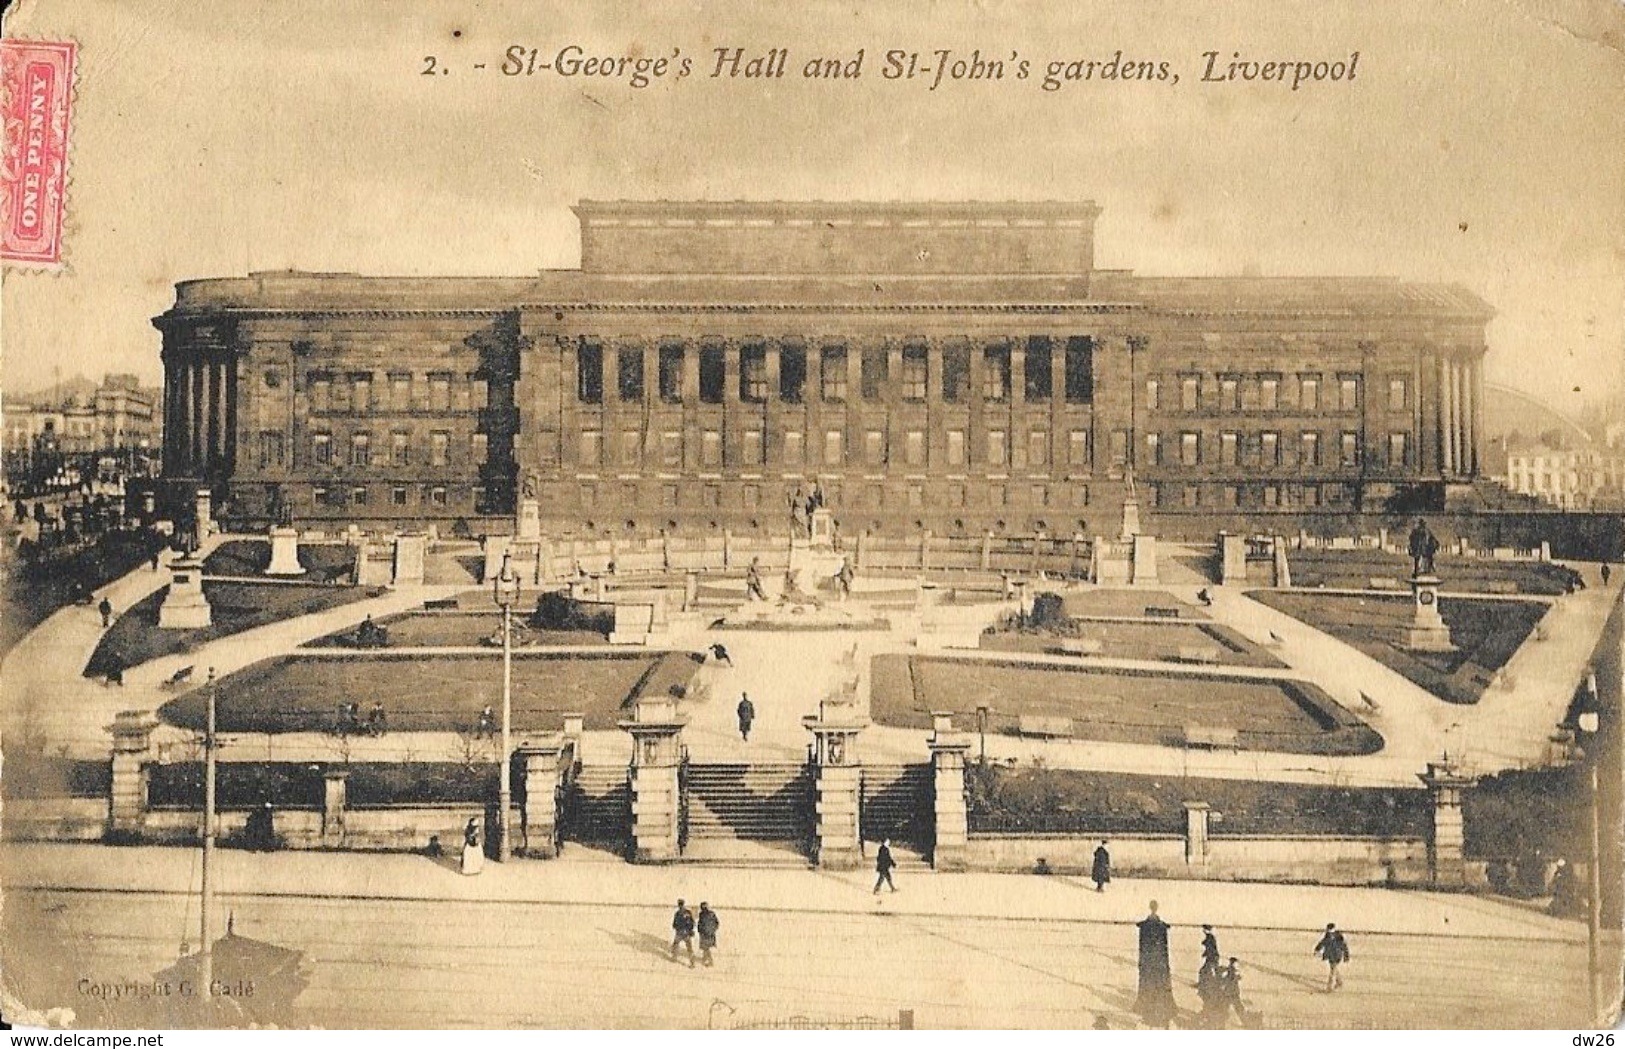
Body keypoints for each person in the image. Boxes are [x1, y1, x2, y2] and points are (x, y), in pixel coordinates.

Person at [1135, 900, 1177, 1026]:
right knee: (1160, 986)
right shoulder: (1161, 926)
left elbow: (1142, 947)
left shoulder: (1145, 927)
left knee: (1148, 985)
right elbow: (1164, 948)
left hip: (1148, 963)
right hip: (1160, 963)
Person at [1313, 922, 1350, 991]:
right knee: (1334, 969)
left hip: (1335, 955)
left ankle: (1329, 987)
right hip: (1333, 955)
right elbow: (1344, 946)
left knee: (1332, 971)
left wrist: (1317, 950)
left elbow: (1322, 943)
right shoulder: (1336, 936)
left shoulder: (1334, 936)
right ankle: (1339, 982)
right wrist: (1346, 956)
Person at [671, 899, 697, 967]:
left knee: (676, 945)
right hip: (686, 933)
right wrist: (690, 930)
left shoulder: (678, 913)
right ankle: (692, 962)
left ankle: (674, 958)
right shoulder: (688, 912)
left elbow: (674, 924)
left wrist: (677, 927)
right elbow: (692, 922)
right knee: (689, 948)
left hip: (680, 932)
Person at [696, 902, 720, 967]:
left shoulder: (708, 914)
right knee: (705, 947)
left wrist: (712, 930)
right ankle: (704, 958)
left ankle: (710, 961)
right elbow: (700, 923)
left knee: (706, 948)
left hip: (707, 934)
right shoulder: (704, 914)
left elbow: (716, 923)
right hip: (706, 933)